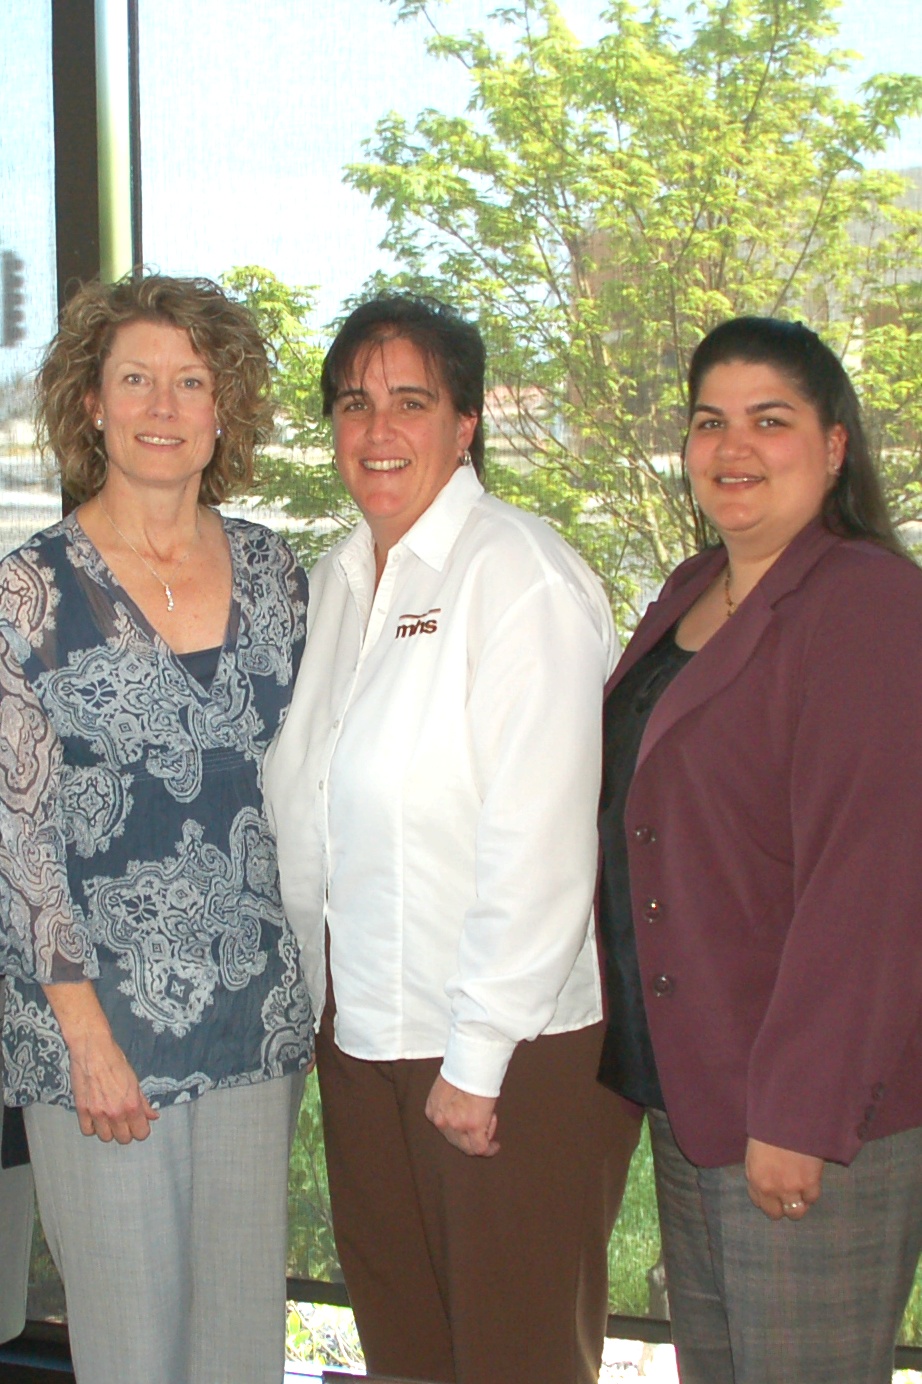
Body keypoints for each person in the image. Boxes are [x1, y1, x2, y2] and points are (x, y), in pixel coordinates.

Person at [265, 294, 640, 1384]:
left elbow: (542, 840)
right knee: (406, 1350)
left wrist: (475, 1061)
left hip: (506, 1056)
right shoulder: (338, 581)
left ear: (465, 422)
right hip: (363, 1039)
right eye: (353, 402)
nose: (377, 429)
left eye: (410, 401)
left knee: (517, 1357)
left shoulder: (517, 573)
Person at [0, 273, 315, 1384]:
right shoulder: (26, 594)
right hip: (95, 1029)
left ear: (225, 409)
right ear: (92, 404)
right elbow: (17, 843)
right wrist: (87, 1041)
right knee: (132, 1351)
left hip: (256, 1014)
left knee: (239, 1343)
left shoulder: (277, 573)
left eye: (191, 381)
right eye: (135, 379)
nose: (163, 406)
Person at [596, 315, 922, 1384]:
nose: (733, 448)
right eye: (710, 422)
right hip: (693, 1091)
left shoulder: (870, 604)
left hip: (807, 1114)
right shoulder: (690, 591)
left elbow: (871, 887)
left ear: (833, 445)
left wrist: (799, 1113)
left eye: (769, 421)